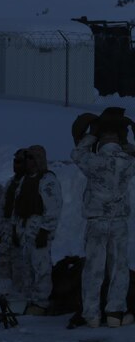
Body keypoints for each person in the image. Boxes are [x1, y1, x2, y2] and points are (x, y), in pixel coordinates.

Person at [71, 111, 135, 327]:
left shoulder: (94, 161)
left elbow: (77, 153)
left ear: (101, 140)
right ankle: (115, 313)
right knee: (119, 268)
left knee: (93, 269)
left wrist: (91, 135)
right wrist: (126, 141)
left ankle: (92, 315)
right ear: (118, 139)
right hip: (118, 222)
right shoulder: (128, 161)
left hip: (96, 221)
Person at [12, 145, 62, 315]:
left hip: (39, 226)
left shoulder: (47, 179)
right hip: (24, 227)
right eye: (27, 158)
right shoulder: (25, 179)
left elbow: (54, 207)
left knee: (41, 266)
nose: (28, 161)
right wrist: (14, 227)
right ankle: (27, 299)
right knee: (25, 266)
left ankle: (41, 302)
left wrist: (45, 230)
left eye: (32, 157)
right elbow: (17, 205)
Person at [0, 149, 27, 280]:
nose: (16, 165)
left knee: (20, 268)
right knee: (3, 267)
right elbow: (2, 208)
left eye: (19, 162)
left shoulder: (30, 183)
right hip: (6, 231)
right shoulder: (10, 183)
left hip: (21, 231)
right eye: (15, 161)